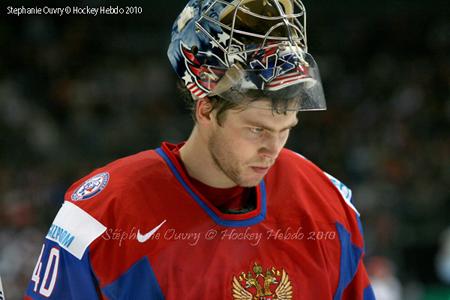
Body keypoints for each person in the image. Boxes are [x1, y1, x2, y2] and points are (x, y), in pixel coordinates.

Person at [25, 0, 375, 299]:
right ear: (206, 108)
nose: (273, 149)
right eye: (256, 129)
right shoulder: (102, 214)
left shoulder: (325, 201)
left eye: (286, 130)